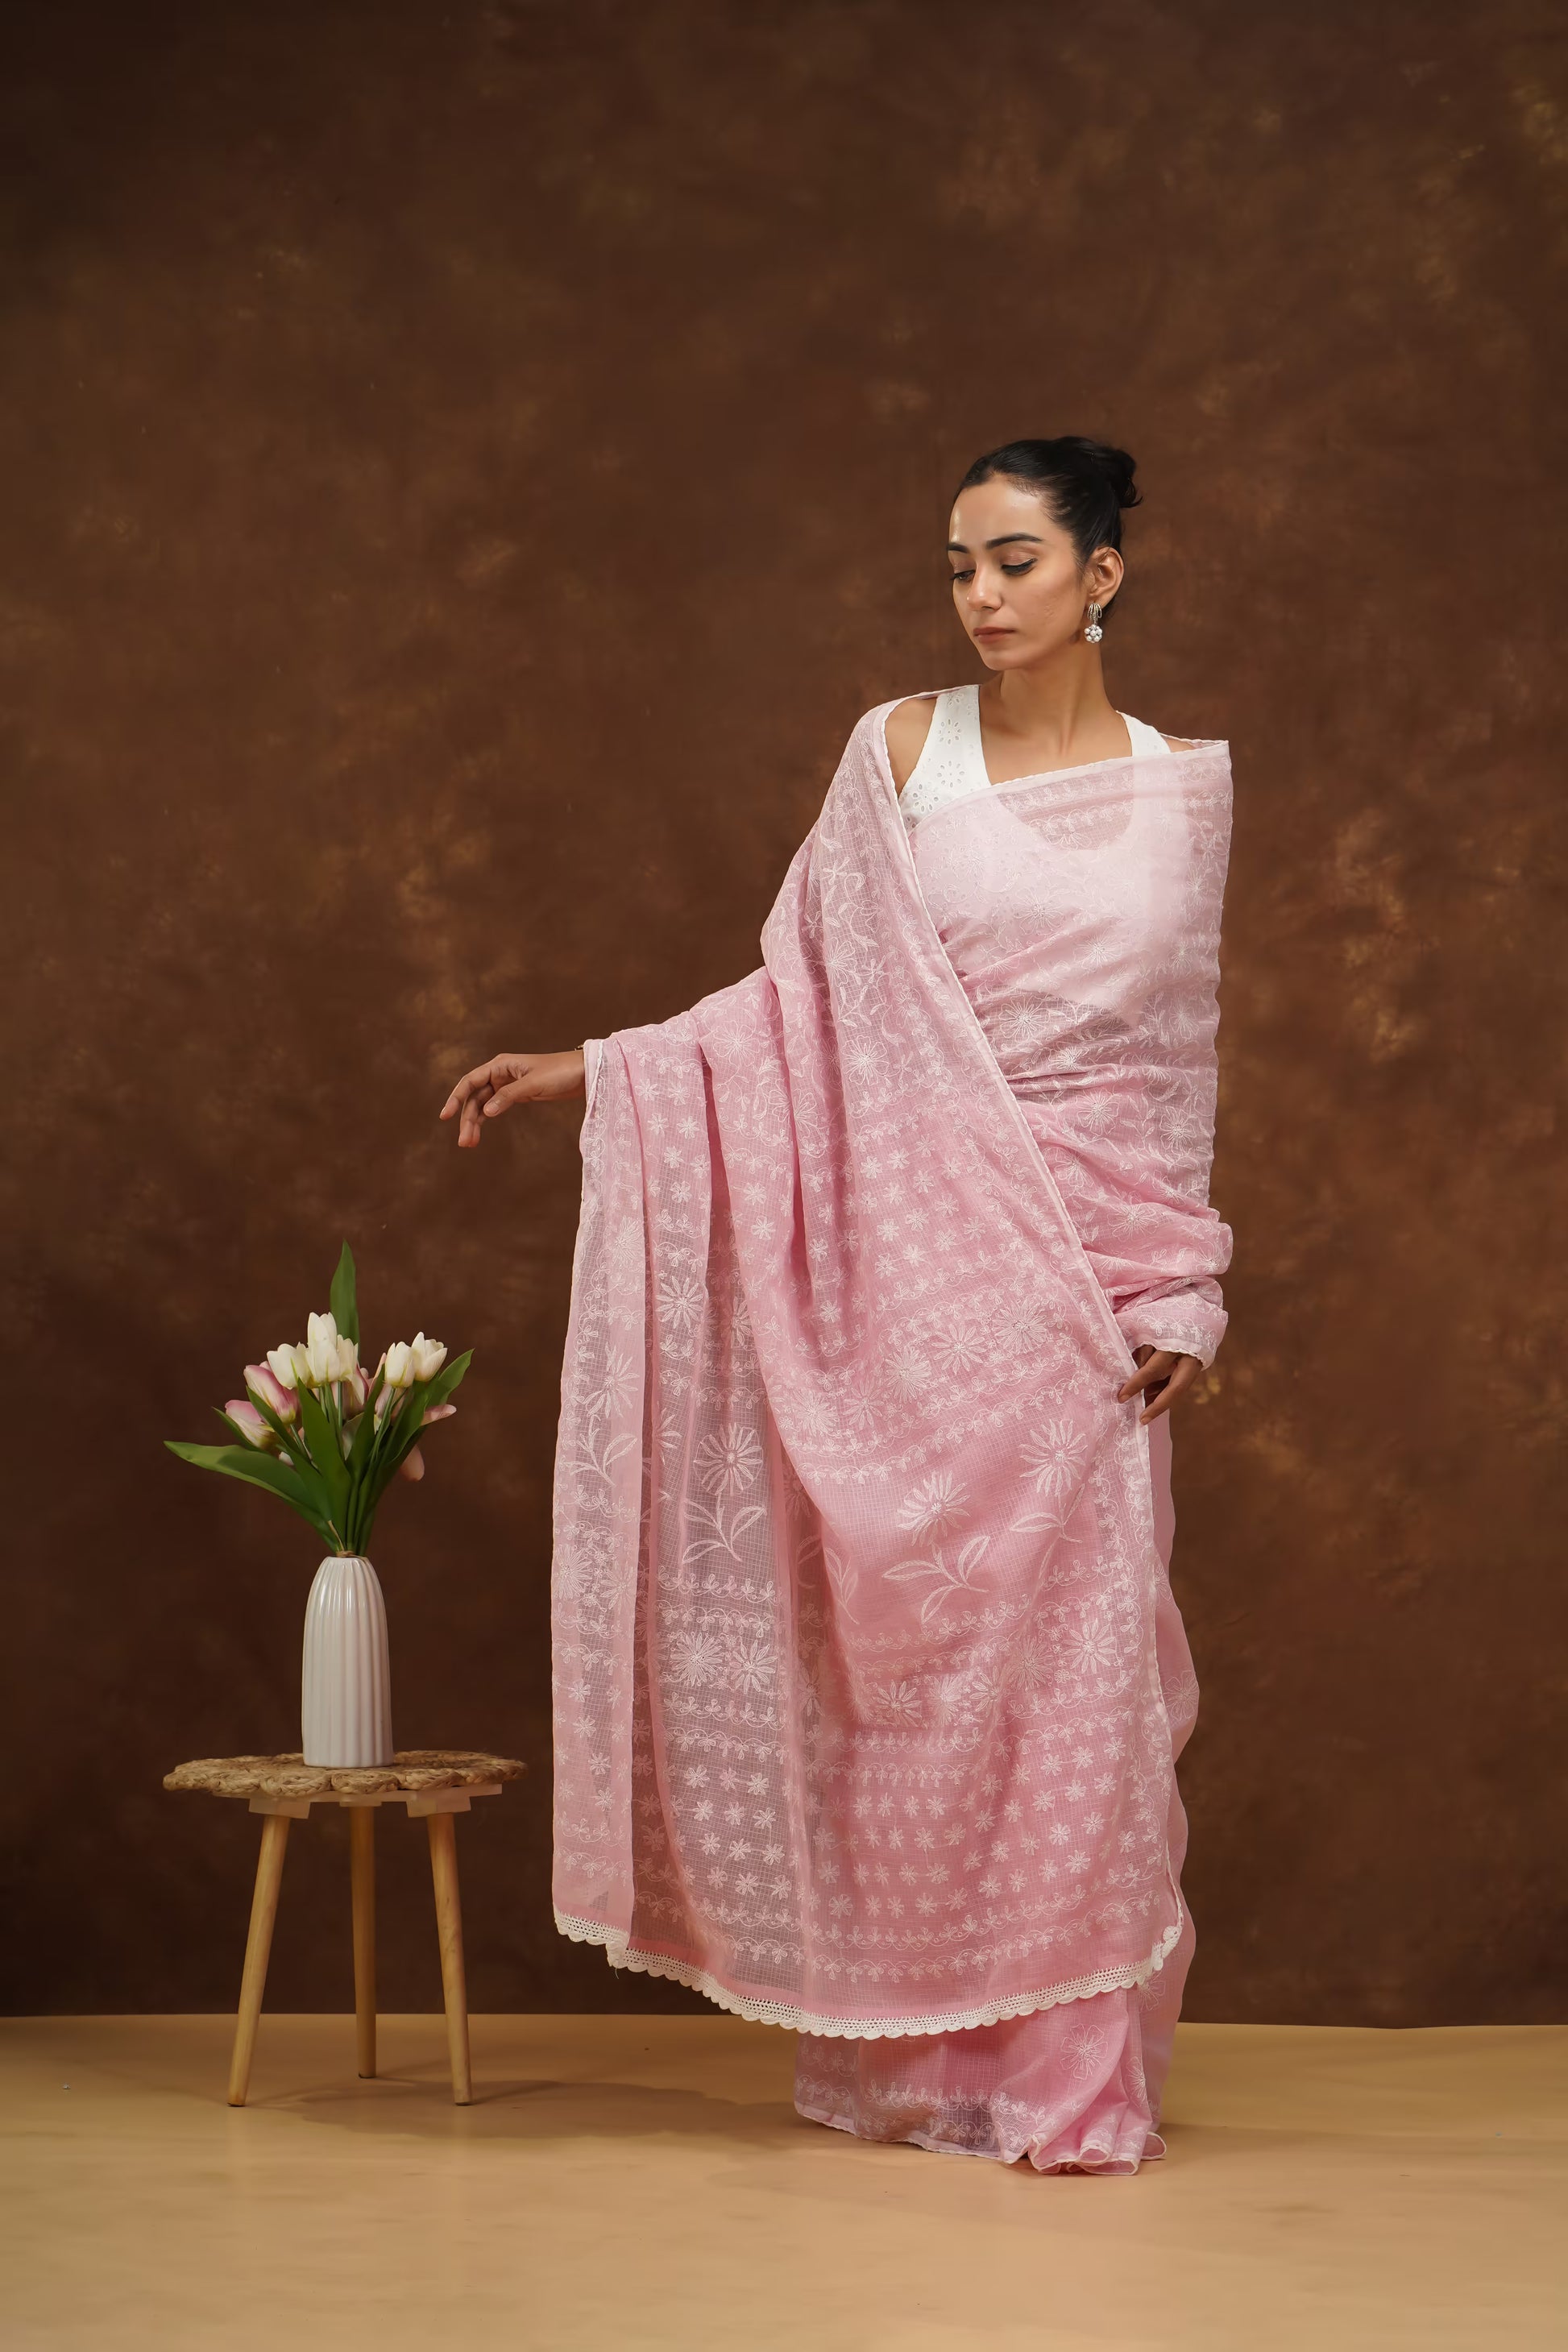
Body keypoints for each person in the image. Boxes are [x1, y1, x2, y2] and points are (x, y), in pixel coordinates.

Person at [441, 435, 1233, 2173]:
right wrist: (604, 1068)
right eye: (959, 566)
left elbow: (1163, 1074)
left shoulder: (1178, 789)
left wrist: (1182, 1278)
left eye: (1016, 561)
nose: (982, 597)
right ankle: (924, 2062)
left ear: (1102, 572)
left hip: (1078, 1304)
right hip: (910, 1287)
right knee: (914, 1696)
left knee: (1080, 1695)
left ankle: (1071, 2084)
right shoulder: (895, 753)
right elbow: (798, 1004)